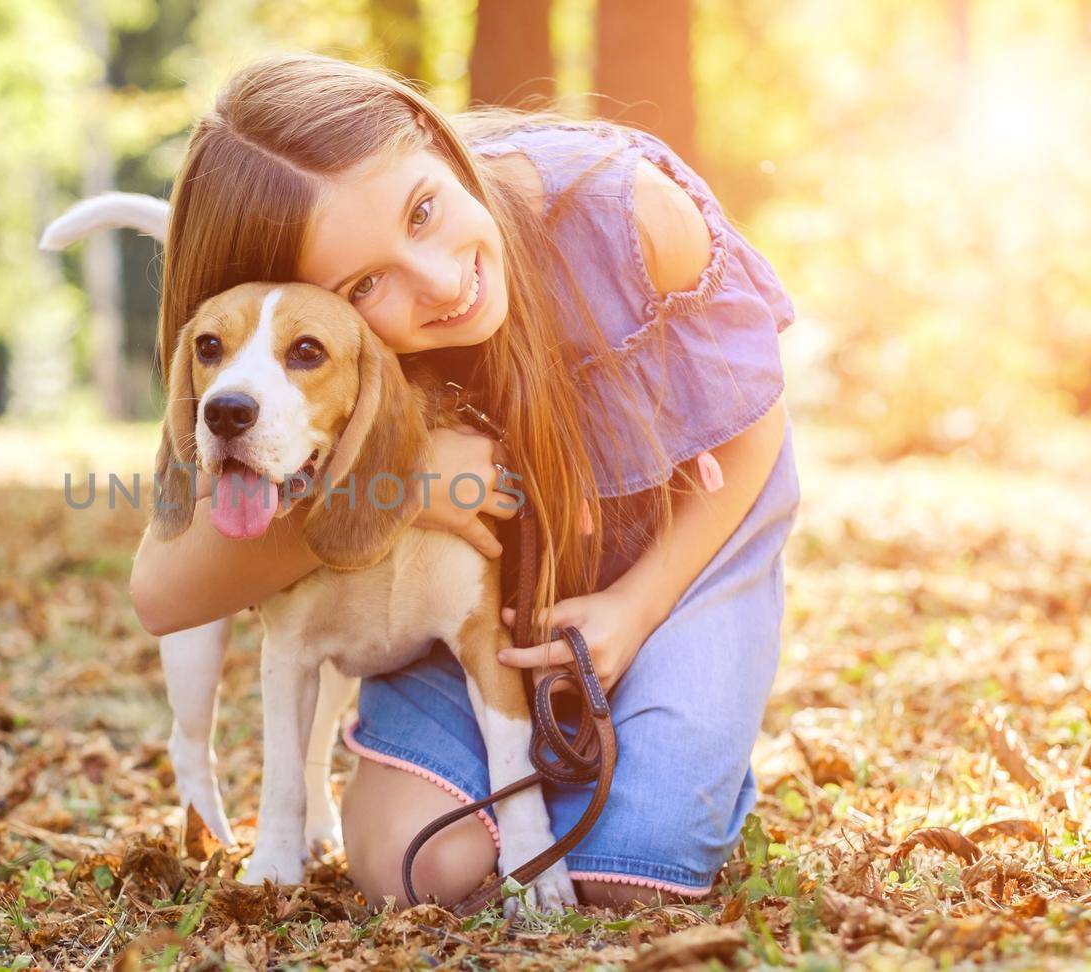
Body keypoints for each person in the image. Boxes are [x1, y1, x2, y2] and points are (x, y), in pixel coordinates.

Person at [129, 52, 801, 910]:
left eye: (423, 210)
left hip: (689, 533)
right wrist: (404, 480)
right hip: (497, 593)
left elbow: (756, 423)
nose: (443, 282)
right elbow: (160, 594)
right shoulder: (318, 375)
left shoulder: (623, 207)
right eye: (363, 285)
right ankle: (573, 767)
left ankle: (674, 742)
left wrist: (637, 608)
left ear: (435, 138)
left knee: (638, 878)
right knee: (415, 870)